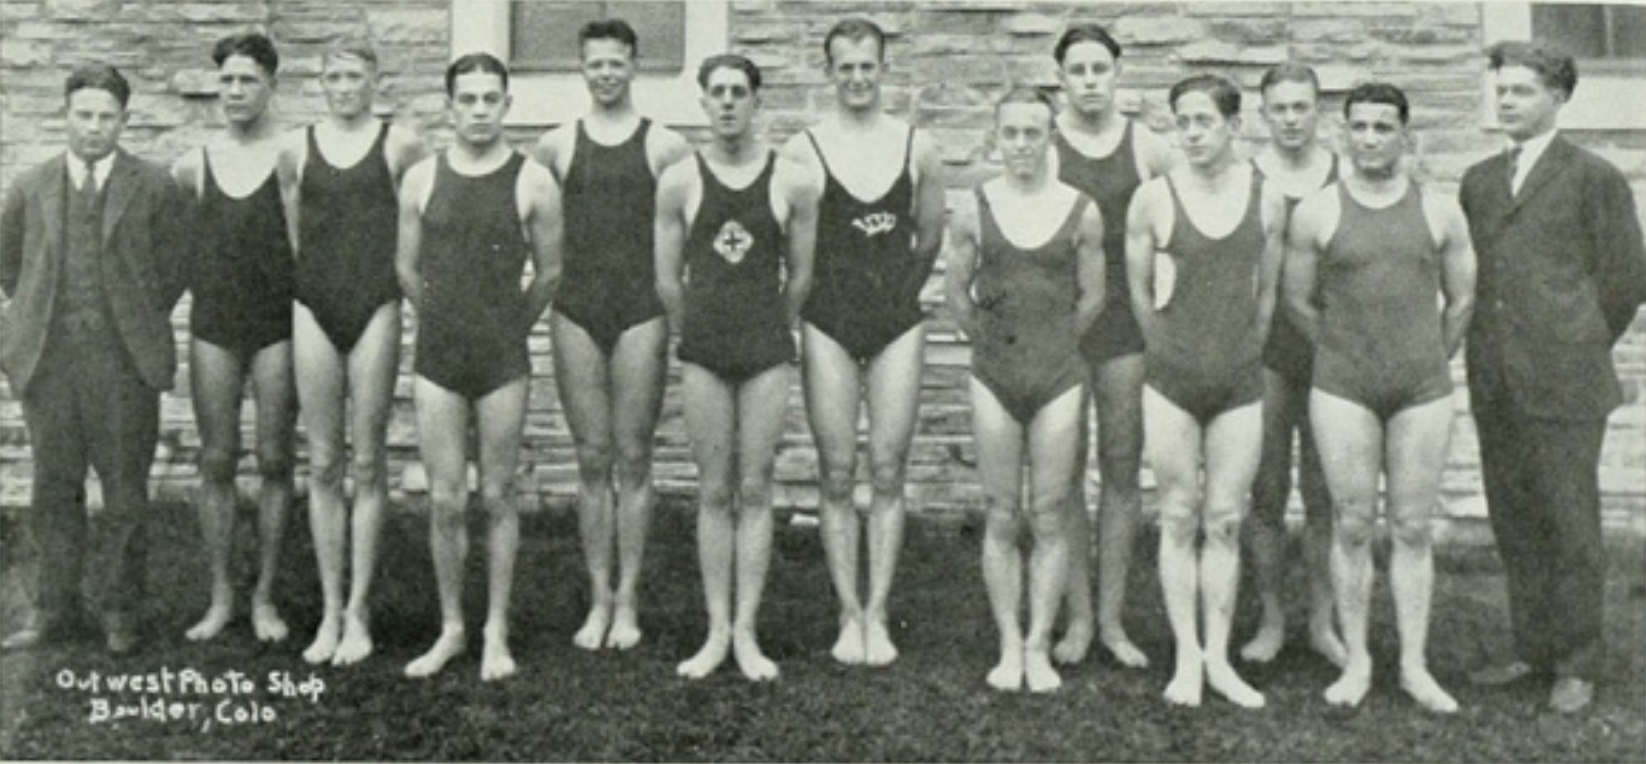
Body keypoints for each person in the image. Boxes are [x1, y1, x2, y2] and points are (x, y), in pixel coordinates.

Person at [1461, 41, 1646, 714]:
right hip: (1495, 380)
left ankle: (1577, 660)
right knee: (1516, 518)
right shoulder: (1480, 180)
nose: (1506, 101)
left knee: (1570, 522)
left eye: (1521, 91)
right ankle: (1531, 646)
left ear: (1558, 98)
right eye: (1500, 90)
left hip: (1566, 380)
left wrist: (1577, 341)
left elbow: (1625, 279)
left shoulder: (1593, 177)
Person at [1286, 83, 1476, 713]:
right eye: (1359, 126)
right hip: (1344, 387)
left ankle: (1415, 666)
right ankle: (1359, 660)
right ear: (1344, 133)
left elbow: (1463, 299)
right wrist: (1344, 353)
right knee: (1352, 523)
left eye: (1383, 127)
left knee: (1414, 527)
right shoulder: (1317, 212)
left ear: (1405, 134)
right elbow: (1297, 300)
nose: (1370, 138)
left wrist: (1430, 357)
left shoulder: (1440, 211)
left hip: (1420, 388)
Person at [0, 65, 188, 654]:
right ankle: (55, 609)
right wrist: (36, 321)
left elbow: (172, 270)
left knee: (125, 491)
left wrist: (132, 323)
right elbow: (10, 268)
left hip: (123, 365)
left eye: (106, 116)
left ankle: (119, 613)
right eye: (83, 114)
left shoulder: (154, 186)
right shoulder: (30, 186)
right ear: (66, 115)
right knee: (54, 488)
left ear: (123, 121)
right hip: (50, 364)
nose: (93, 127)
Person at [779, 18, 944, 667]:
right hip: (827, 319)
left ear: (882, 69)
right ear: (829, 72)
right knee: (839, 469)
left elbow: (928, 238)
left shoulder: (916, 147)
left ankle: (881, 612)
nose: (856, 78)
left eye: (866, 66)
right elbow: (795, 251)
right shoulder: (803, 149)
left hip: (895, 320)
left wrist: (898, 294)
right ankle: (849, 613)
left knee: (888, 468)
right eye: (844, 67)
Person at [395, 53, 563, 681]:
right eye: (467, 99)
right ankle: (452, 628)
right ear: (449, 106)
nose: (479, 110)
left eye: (491, 98)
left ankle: (496, 628)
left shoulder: (533, 180)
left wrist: (509, 328)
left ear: (507, 105)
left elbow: (549, 272)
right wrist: (438, 318)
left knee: (496, 494)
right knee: (443, 499)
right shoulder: (421, 178)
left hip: (501, 356)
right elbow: (406, 268)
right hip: (439, 354)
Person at [529, 19, 691, 652]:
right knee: (591, 459)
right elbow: (537, 235)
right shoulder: (555, 147)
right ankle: (598, 597)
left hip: (639, 312)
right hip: (576, 310)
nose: (605, 74)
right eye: (594, 63)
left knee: (635, 455)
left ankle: (629, 600)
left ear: (634, 65)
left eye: (615, 63)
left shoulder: (666, 148)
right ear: (581, 67)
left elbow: (684, 236)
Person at [655, 53, 817, 682]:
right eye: (716, 92)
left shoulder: (792, 181)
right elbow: (668, 279)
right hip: (706, 350)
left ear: (756, 101)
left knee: (755, 486)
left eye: (738, 92)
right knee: (714, 488)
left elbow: (801, 274)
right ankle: (715, 629)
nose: (727, 103)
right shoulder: (679, 180)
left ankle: (747, 631)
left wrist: (771, 324)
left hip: (766, 349)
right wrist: (695, 329)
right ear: (702, 102)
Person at [1126, 74, 1283, 709]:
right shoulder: (1153, 199)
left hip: (1239, 380)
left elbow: (1268, 290)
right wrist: (1163, 349)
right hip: (1171, 380)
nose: (1191, 133)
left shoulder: (1266, 198)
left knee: (1224, 518)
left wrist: (1249, 349)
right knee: (1178, 514)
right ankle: (1185, 660)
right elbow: (1136, 288)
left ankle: (1218, 658)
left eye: (1204, 121)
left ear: (1232, 126)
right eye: (1182, 121)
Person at [945, 87, 1105, 693]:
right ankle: (1008, 643)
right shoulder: (975, 207)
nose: (1021, 145)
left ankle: (1039, 643)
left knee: (1050, 513)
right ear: (996, 137)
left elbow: (1094, 297)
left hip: (1059, 376)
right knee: (1002, 511)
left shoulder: (1081, 210)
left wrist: (1054, 344)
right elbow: (957, 294)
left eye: (1032, 133)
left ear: (1050, 139)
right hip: (995, 376)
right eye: (1010, 133)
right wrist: (992, 343)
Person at [275, 39, 428, 666]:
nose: (343, 86)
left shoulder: (401, 145)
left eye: (355, 76)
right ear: (321, 81)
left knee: (367, 462)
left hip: (377, 303)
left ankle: (360, 611)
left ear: (374, 80)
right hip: (313, 302)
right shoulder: (294, 148)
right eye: (333, 76)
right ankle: (330, 611)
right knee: (323, 462)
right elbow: (295, 232)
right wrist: (316, 288)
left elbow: (410, 231)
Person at [1047, 23, 1175, 668]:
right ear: (1061, 79)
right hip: (1064, 331)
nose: (1091, 81)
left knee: (1122, 469)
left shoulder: (1148, 147)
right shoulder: (1041, 149)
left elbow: (1185, 231)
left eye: (1101, 68)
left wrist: (1168, 313)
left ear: (1117, 74)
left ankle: (1113, 620)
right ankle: (1075, 618)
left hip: (1127, 327)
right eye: (1078, 70)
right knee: (1065, 473)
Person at [172, 33, 297, 644]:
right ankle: (222, 594)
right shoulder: (194, 164)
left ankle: (267, 594)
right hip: (215, 326)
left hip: (277, 326)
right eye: (227, 81)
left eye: (248, 80)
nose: (236, 92)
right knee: (217, 457)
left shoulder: (290, 157)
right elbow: (175, 253)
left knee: (276, 459)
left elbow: (303, 247)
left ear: (271, 86)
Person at [1242, 62, 1343, 666]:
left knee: (1326, 492)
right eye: (1278, 108)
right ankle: (1272, 619)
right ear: (1263, 114)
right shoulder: (1247, 178)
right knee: (1268, 490)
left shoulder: (1343, 172)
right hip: (1267, 351)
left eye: (1300, 107)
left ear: (1317, 110)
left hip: (1331, 350)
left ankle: (1325, 622)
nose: (1290, 119)